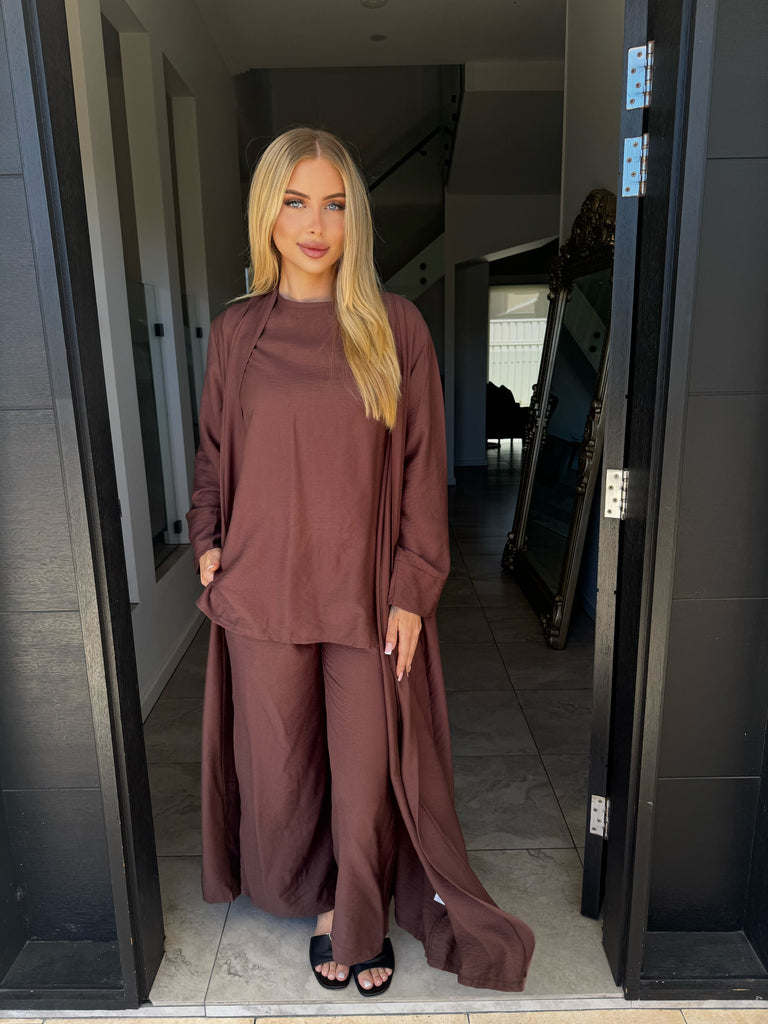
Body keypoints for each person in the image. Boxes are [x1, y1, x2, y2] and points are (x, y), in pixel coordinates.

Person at [186, 127, 535, 997]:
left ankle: (360, 916)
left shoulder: (394, 326)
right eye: (296, 202)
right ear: (268, 212)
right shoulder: (235, 332)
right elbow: (212, 451)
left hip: (368, 596)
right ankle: (317, 904)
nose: (316, 225)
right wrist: (206, 539)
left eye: (335, 205)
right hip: (263, 592)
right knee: (284, 772)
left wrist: (415, 587)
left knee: (367, 772)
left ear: (356, 218)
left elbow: (420, 467)